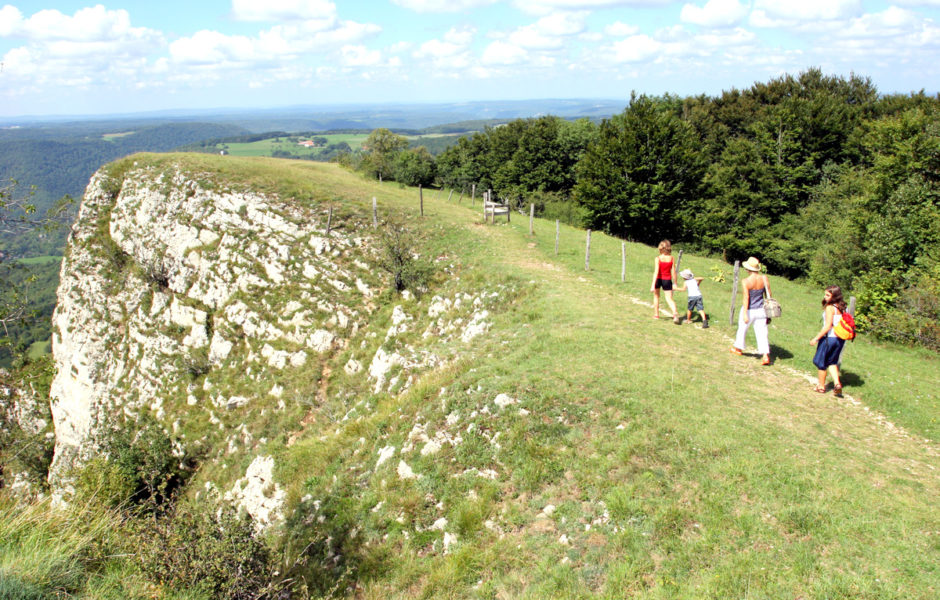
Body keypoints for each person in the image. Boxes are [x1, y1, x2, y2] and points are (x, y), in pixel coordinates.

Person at [731, 256, 772, 365]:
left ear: (748, 269)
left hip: (749, 309)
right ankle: (765, 355)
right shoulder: (764, 278)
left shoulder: (746, 281)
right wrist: (768, 312)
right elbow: (768, 295)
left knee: (742, 329)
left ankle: (738, 348)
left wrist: (745, 313)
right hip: (761, 310)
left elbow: (746, 298)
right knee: (762, 333)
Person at [810, 285, 847, 397]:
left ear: (834, 296)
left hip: (829, 339)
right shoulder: (843, 307)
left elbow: (828, 326)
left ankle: (821, 386)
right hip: (840, 339)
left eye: (827, 295)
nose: (825, 297)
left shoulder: (830, 308)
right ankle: (837, 384)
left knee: (821, 362)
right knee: (832, 362)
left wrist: (816, 338)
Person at [650, 240, 680, 324]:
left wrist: (653, 285)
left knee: (656, 296)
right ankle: (675, 313)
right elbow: (674, 272)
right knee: (669, 298)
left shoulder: (658, 258)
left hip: (658, 279)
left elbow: (656, 272)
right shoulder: (671, 258)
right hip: (667, 280)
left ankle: (656, 315)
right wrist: (675, 283)